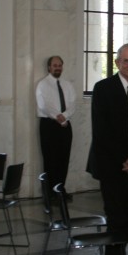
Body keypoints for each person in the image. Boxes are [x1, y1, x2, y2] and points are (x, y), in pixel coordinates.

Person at [86, 44, 128, 255]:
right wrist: (124, 160)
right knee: (116, 217)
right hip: (110, 165)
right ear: (117, 63)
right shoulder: (103, 88)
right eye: (126, 61)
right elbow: (102, 130)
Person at [36, 55, 76, 197]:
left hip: (65, 125)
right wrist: (59, 118)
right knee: (50, 159)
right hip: (49, 125)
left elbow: (72, 104)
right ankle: (50, 193)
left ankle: (60, 190)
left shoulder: (67, 84)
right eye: (55, 65)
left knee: (63, 159)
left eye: (60, 65)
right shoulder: (42, 84)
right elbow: (44, 105)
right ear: (49, 67)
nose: (57, 68)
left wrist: (65, 117)